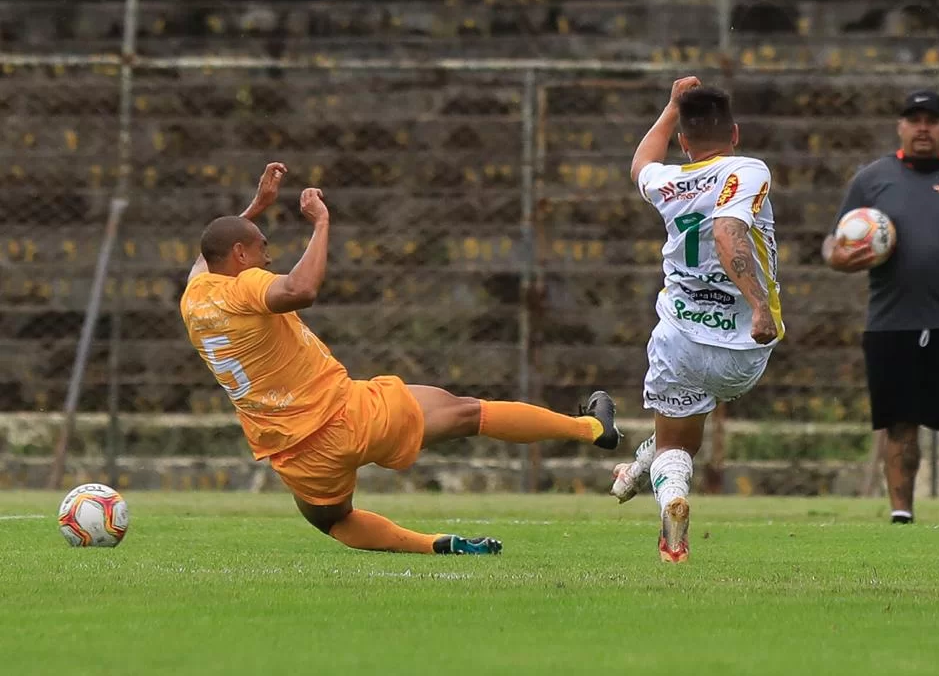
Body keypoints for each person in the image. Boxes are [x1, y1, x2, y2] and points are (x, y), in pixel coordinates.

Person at [180, 162, 621, 555]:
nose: (268, 255)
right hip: (345, 415)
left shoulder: (194, 295)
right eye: (260, 247)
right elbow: (301, 290)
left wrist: (255, 207)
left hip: (293, 451)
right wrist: (321, 224)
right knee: (469, 412)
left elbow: (208, 253)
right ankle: (591, 428)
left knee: (333, 520)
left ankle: (436, 546)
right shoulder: (245, 287)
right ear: (240, 256)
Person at [609, 78, 783, 562]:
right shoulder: (747, 169)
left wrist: (670, 108)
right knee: (685, 429)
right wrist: (759, 307)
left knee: (675, 443)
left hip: (679, 336)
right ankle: (641, 473)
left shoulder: (666, 179)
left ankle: (667, 494)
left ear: (683, 141)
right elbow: (729, 231)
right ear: (735, 133)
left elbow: (640, 164)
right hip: (742, 348)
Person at [822, 90, 939, 525]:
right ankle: (901, 517)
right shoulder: (871, 180)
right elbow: (833, 242)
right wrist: (837, 257)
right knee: (900, 425)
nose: (922, 127)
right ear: (900, 126)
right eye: (914, 119)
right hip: (891, 325)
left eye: (932, 120)